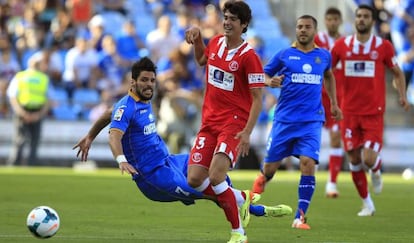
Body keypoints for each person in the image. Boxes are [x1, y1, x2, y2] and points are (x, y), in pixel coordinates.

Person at [73, 57, 292, 217]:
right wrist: (121, 159)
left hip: (169, 161)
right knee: (202, 189)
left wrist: (90, 136)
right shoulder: (127, 107)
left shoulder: (142, 101)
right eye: (144, 81)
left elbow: (107, 113)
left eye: (152, 80)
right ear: (133, 82)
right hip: (152, 177)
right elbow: (114, 135)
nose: (149, 85)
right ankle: (253, 206)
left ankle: (244, 207)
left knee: (210, 169)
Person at [251, 15, 343, 230]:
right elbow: (262, 75)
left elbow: (329, 76)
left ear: (315, 30)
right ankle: (262, 179)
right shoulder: (284, 55)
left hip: (311, 120)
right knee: (271, 169)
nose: (302, 30)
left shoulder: (323, 56)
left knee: (308, 163)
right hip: (284, 120)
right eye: (299, 26)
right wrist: (269, 81)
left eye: (307, 27)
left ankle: (300, 217)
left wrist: (334, 104)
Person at [184, 1, 266, 242]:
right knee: (194, 180)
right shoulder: (217, 41)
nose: (227, 22)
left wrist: (248, 132)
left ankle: (238, 233)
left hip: (234, 124)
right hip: (209, 123)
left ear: (244, 25)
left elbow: (258, 99)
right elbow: (201, 60)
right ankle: (240, 197)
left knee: (217, 176)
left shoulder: (249, 56)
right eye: (226, 17)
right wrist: (198, 38)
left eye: (233, 19)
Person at [330, 4, 410, 216]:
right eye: (359, 16)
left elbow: (397, 72)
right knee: (354, 160)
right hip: (349, 113)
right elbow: (327, 72)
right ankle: (367, 203)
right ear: (355, 20)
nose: (362, 19)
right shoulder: (341, 46)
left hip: (373, 113)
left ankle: (376, 169)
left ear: (372, 21)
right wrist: (332, 101)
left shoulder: (383, 47)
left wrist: (402, 96)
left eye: (366, 16)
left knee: (368, 158)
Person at [314, 7, 345, 198]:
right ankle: (310, 175)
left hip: (337, 97)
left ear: (340, 21)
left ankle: (332, 183)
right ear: (325, 21)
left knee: (335, 138)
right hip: (317, 97)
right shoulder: (317, 40)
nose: (333, 22)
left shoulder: (346, 42)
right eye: (329, 19)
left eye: (336, 19)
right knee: (313, 138)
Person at [6, 52, 53, 166]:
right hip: (33, 111)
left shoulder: (21, 76)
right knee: (31, 141)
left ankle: (15, 164)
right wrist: (37, 114)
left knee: (21, 140)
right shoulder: (43, 78)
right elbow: (49, 99)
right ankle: (29, 164)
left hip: (26, 111)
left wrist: (22, 113)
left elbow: (12, 96)